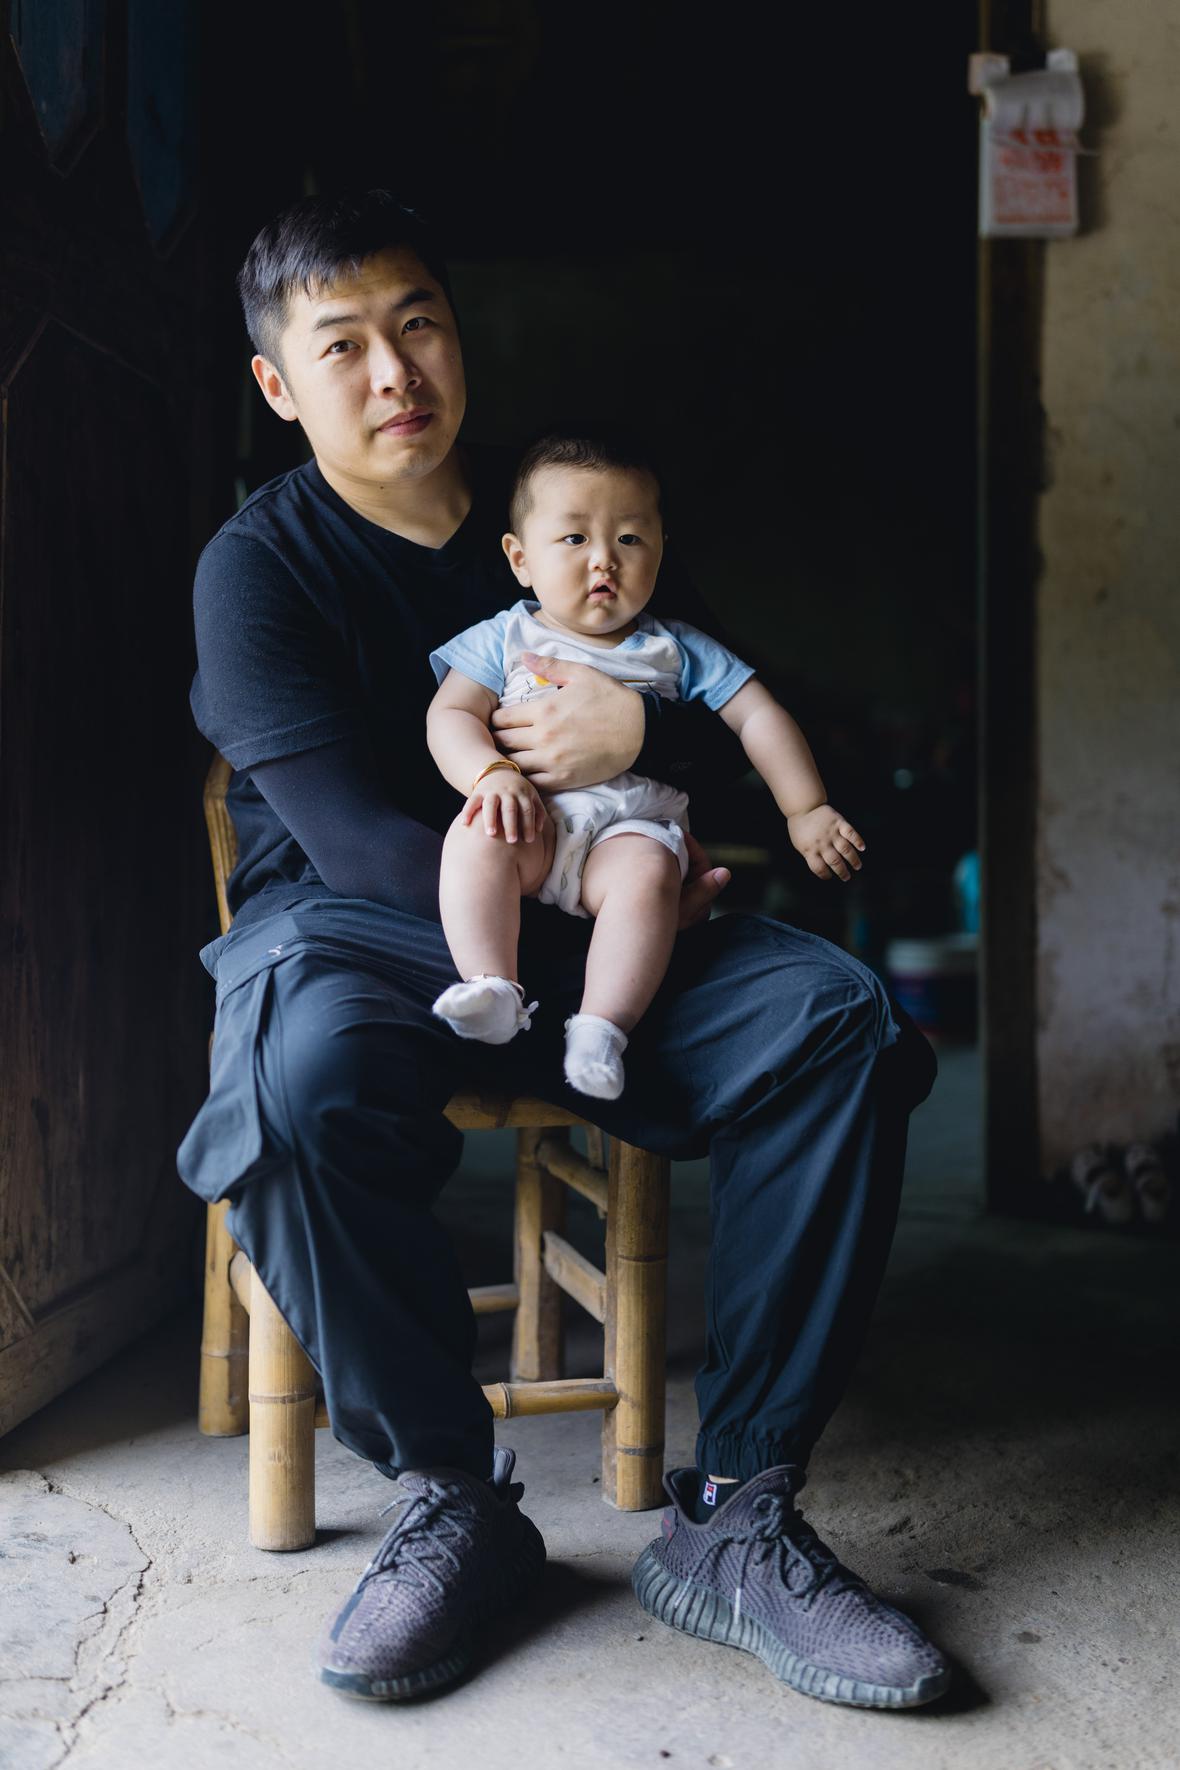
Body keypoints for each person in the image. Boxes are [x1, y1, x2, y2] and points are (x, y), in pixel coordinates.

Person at [177, 189, 948, 1710]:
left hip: (617, 918)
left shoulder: (571, 513)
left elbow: (746, 727)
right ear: (278, 385)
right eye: (343, 346)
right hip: (367, 933)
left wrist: (640, 741)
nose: (395, 371)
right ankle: (452, 1500)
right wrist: (578, 926)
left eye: (418, 324)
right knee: (284, 1077)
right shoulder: (258, 568)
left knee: (839, 1023)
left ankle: (736, 1516)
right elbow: (352, 839)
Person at [427, 426, 869, 1102]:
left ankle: (602, 1029)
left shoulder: (678, 649)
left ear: (661, 553)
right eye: (574, 538)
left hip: (625, 833)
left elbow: (759, 716)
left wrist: (804, 808)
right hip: (532, 826)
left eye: (630, 539)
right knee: (474, 837)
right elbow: (450, 716)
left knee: (651, 875)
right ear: (520, 559)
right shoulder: (506, 636)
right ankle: (492, 986)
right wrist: (490, 774)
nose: (604, 559)